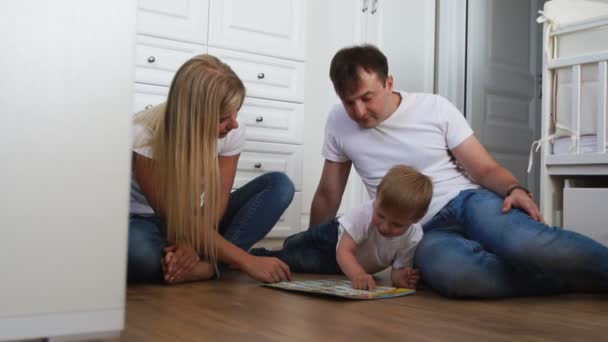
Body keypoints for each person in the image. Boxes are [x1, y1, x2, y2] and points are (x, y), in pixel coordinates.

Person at [309, 44, 608, 298]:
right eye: (349, 102)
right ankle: (568, 279)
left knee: (524, 243)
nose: (359, 112)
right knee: (458, 275)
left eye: (366, 98)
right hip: (420, 230)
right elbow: (327, 193)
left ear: (388, 83)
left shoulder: (434, 108)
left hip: (468, 202)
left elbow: (485, 168)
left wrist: (514, 189)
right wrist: (313, 244)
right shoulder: (338, 122)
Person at [128, 54, 294, 285]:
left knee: (279, 186)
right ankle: (212, 266)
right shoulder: (144, 134)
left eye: (236, 112)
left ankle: (206, 265)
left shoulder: (232, 130)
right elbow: (170, 214)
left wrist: (194, 245)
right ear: (193, 117)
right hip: (146, 220)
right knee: (138, 253)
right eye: (224, 118)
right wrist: (248, 261)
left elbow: (217, 200)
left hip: (198, 220)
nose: (234, 123)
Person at [251, 165, 432, 290]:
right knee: (299, 243)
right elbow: (344, 251)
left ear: (416, 219)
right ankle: (255, 255)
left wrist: (402, 278)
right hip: (332, 240)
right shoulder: (364, 214)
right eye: (381, 216)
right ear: (376, 200)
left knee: (295, 261)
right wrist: (358, 275)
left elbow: (397, 270)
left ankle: (279, 251)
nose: (385, 227)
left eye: (396, 224)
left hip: (344, 264)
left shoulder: (413, 236)